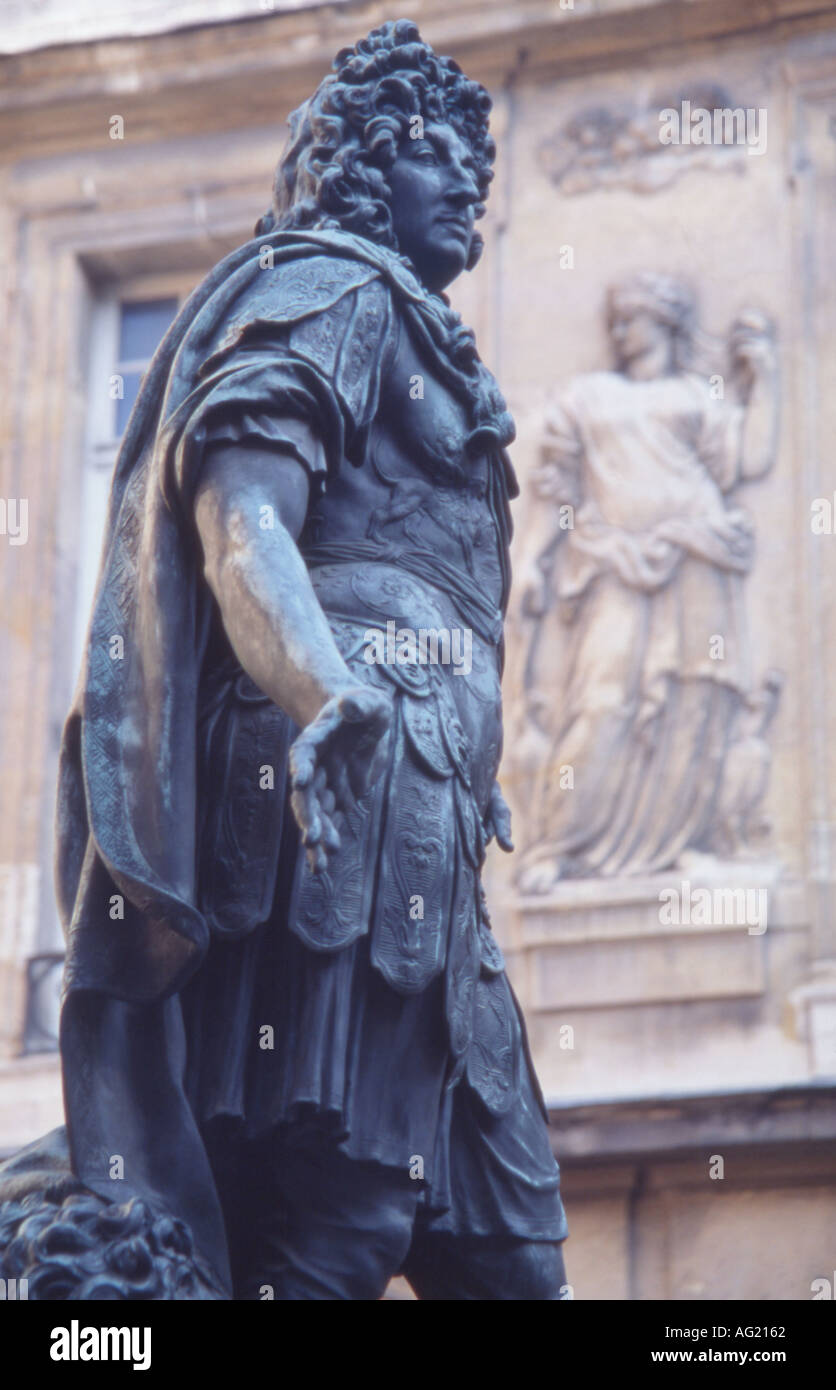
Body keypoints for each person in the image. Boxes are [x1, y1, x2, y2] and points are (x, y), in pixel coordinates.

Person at [51, 20, 569, 1299]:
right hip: (337, 812)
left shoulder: (427, 347)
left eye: (480, 170)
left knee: (511, 1258)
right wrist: (319, 684)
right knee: (338, 1218)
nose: (470, 187)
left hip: (433, 841)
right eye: (436, 154)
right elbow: (243, 519)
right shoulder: (328, 289)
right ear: (361, 163)